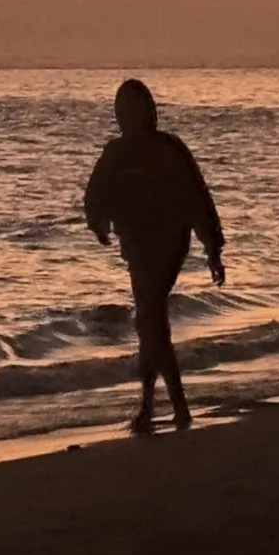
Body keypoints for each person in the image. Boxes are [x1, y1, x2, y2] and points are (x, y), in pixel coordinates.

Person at [84, 79, 225, 434]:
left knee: (149, 317)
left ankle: (176, 407)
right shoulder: (116, 154)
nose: (130, 117)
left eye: (136, 109)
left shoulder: (170, 149)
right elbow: (95, 195)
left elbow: (197, 197)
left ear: (150, 111)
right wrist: (99, 226)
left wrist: (213, 249)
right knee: (150, 323)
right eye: (124, 110)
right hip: (136, 248)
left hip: (169, 245)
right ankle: (150, 406)